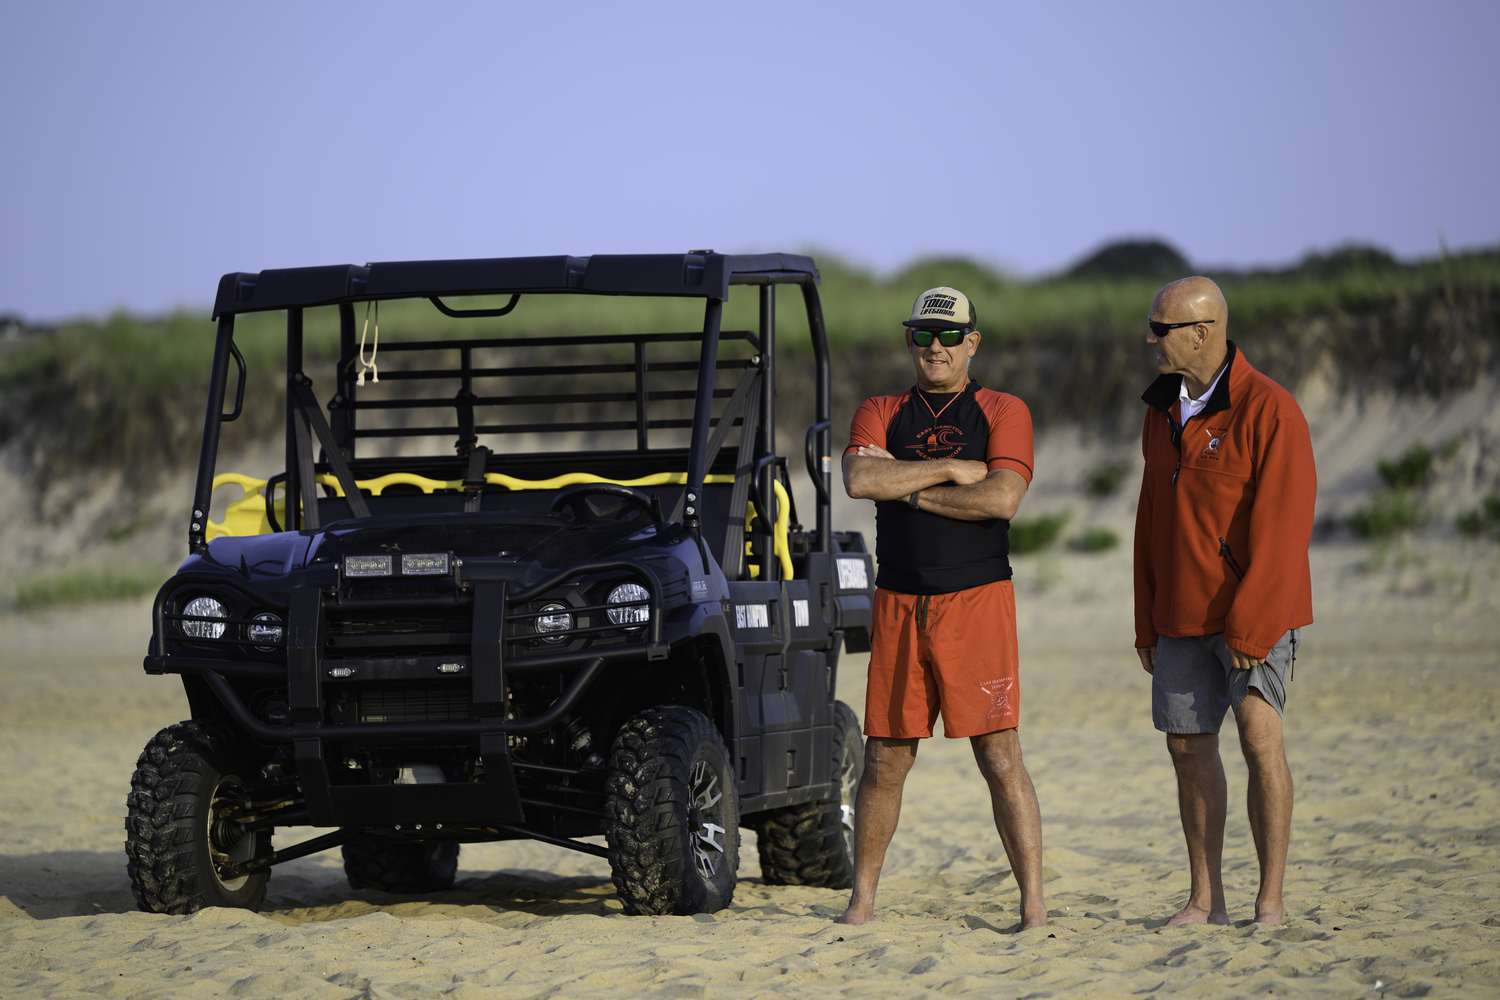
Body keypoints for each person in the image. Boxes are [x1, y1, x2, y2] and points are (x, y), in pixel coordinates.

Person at [836, 286, 1046, 929]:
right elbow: (859, 480)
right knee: (884, 758)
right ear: (910, 340)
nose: (936, 346)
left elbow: (1002, 499)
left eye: (950, 335)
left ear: (971, 342)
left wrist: (913, 490)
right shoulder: (881, 408)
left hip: (978, 598)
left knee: (999, 755)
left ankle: (1034, 904)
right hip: (898, 598)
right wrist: (953, 469)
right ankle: (862, 900)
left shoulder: (1004, 409)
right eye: (924, 334)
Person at [1134, 276, 1316, 926]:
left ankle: (1270, 900)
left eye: (1162, 328)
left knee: (1260, 737)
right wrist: (1146, 620)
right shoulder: (1161, 411)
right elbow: (1149, 519)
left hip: (1252, 618)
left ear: (1203, 332)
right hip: (1177, 617)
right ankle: (1205, 899)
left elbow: (1285, 530)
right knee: (1187, 748)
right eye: (1152, 326)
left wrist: (1252, 625)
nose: (1150, 339)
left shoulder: (1271, 409)